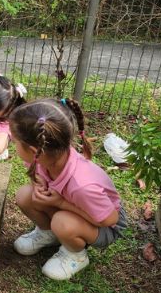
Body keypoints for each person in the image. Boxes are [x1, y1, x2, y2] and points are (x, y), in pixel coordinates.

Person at [9, 98, 127, 280]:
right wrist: (37, 184)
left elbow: (110, 219)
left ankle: (75, 254)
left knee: (61, 221)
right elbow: (36, 173)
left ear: (33, 150)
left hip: (106, 224)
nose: (11, 141)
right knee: (26, 195)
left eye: (14, 140)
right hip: (76, 206)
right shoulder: (45, 153)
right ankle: (48, 234)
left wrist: (61, 203)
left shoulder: (82, 185)